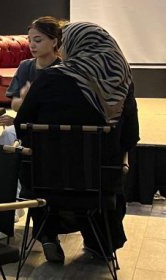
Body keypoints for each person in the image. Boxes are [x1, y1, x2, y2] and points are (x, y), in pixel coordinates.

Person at [14, 21, 139, 263]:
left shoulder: (49, 78)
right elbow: (130, 136)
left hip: (46, 178)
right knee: (105, 172)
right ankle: (100, 243)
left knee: (38, 165)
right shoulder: (122, 81)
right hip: (98, 178)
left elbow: (22, 125)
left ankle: (48, 234)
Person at [0, 16, 63, 127]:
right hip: (28, 126)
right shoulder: (25, 66)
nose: (32, 45)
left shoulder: (62, 69)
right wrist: (25, 98)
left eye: (38, 40)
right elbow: (15, 105)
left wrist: (32, 99)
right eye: (30, 40)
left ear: (54, 42)